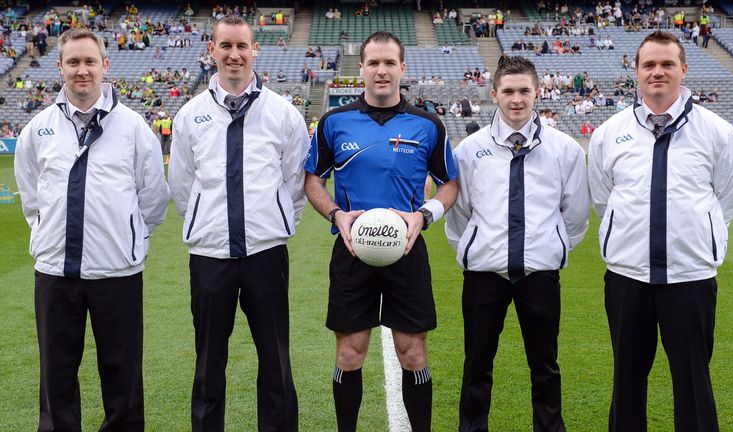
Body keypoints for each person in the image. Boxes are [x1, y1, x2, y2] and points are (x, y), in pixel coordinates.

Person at [588, 31, 733, 432]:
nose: (658, 72)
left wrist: (698, 234)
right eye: (649, 65)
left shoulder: (716, 131)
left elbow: (729, 197)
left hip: (690, 278)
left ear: (683, 70)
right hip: (627, 278)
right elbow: (603, 198)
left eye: (667, 64)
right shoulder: (611, 132)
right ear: (637, 72)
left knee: (693, 382)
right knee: (627, 381)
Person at [13, 28, 169, 431]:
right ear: (60, 67)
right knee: (56, 377)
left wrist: (127, 237)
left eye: (89, 62)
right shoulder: (38, 129)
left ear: (105, 65)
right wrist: (47, 232)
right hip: (54, 272)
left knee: (123, 377)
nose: (82, 70)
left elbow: (152, 199)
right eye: (73, 62)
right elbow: (31, 196)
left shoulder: (134, 127)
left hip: (116, 273)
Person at [303, 31, 459, 432]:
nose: (382, 70)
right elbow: (313, 181)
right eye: (374, 62)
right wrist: (337, 215)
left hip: (406, 250)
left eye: (390, 62)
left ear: (402, 68)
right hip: (353, 252)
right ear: (362, 69)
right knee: (350, 354)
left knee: (413, 354)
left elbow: (450, 184)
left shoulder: (428, 125)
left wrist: (423, 216)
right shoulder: (335, 122)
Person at [168, 15, 309, 432]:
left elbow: (294, 185)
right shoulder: (190, 115)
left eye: (241, 46)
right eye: (225, 46)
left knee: (275, 359)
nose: (234, 54)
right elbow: (182, 184)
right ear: (211, 50)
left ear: (254, 50)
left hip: (266, 255)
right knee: (209, 361)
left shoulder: (283, 113)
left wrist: (274, 223)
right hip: (210, 256)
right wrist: (204, 223)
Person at [446, 55, 589, 432]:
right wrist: (477, 249)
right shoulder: (469, 150)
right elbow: (459, 214)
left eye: (524, 90)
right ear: (494, 94)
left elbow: (575, 214)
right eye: (508, 91)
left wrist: (552, 247)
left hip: (539, 275)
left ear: (537, 92)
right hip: (484, 275)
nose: (517, 99)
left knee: (545, 365)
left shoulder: (564, 149)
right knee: (477, 363)